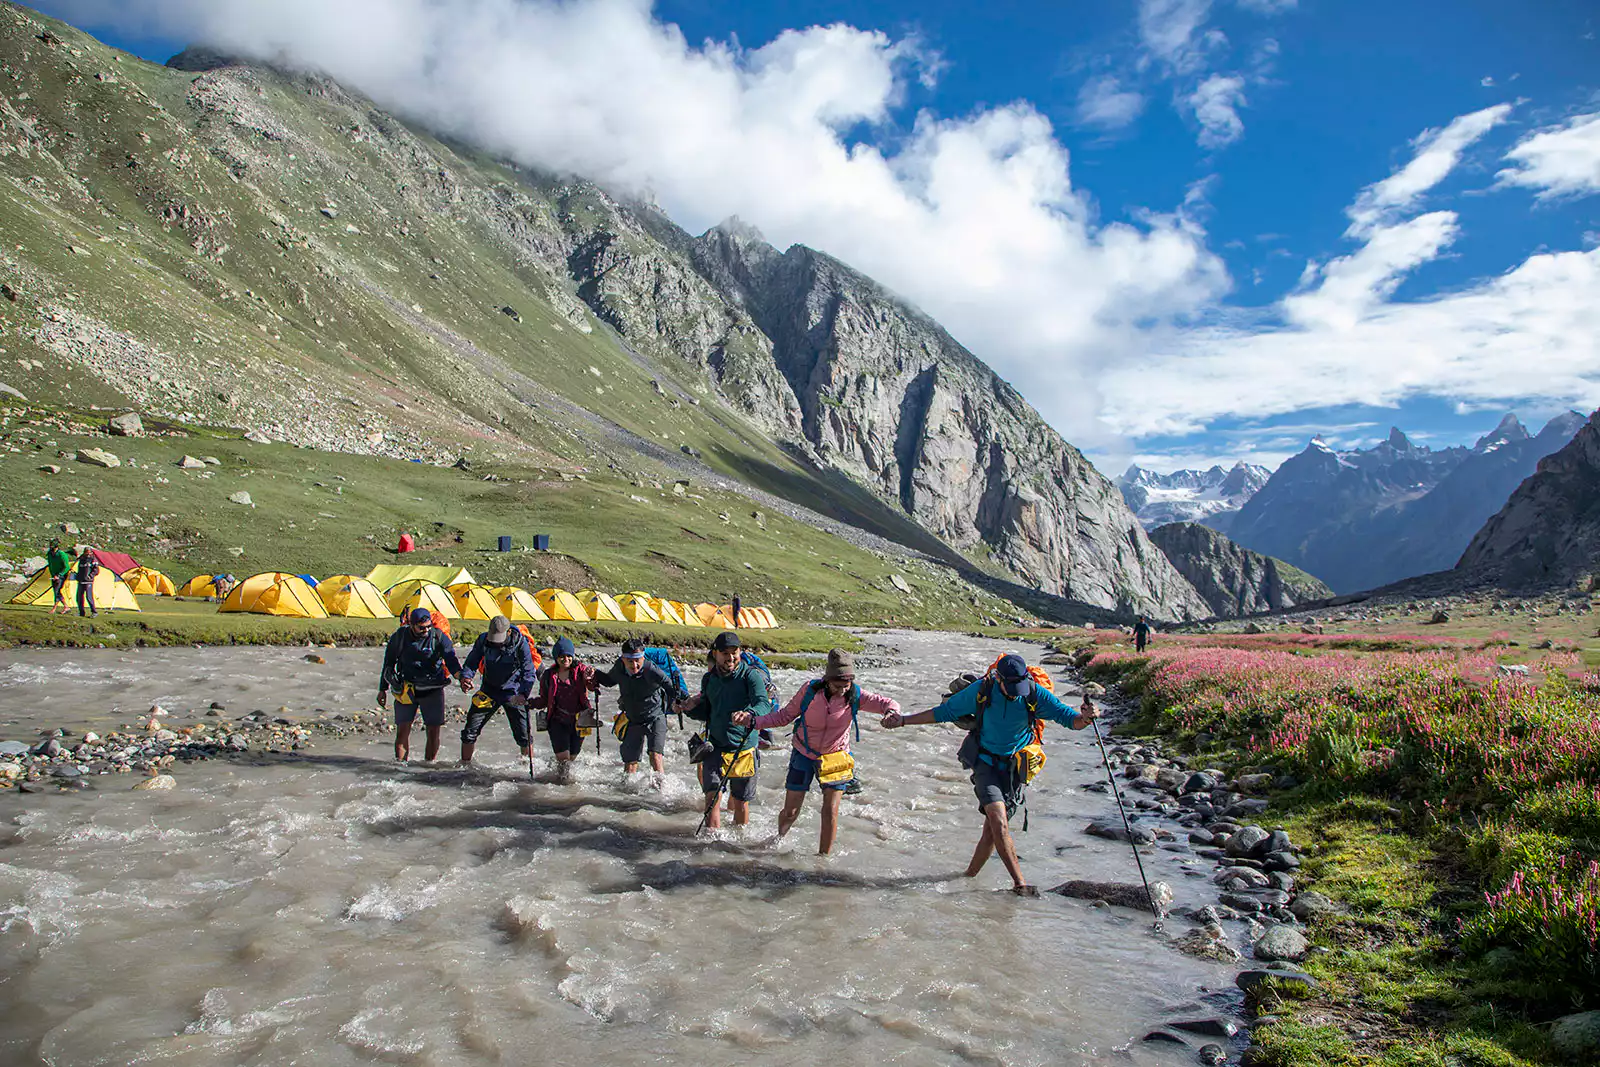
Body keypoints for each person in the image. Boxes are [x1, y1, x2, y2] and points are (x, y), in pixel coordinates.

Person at [883, 653, 1097, 896]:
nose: (1017, 692)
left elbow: (1071, 720)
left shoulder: (1034, 693)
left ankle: (968, 877)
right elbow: (943, 713)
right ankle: (1020, 885)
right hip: (986, 763)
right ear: (998, 678)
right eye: (1012, 687)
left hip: (1016, 768)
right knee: (998, 821)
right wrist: (903, 721)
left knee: (992, 831)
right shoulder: (981, 690)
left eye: (1021, 686)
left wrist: (1087, 718)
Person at [736, 649, 898, 854]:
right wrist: (754, 722)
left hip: (836, 757)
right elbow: (784, 716)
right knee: (791, 811)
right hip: (803, 753)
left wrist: (892, 713)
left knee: (830, 810)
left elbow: (888, 703)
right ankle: (778, 840)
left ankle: (823, 859)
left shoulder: (855, 695)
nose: (842, 691)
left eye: (846, 686)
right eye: (838, 686)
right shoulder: (810, 691)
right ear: (827, 680)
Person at [676, 631, 763, 830]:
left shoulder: (751, 677)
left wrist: (749, 714)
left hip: (744, 748)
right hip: (714, 746)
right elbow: (707, 711)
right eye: (725, 653)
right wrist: (688, 708)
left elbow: (762, 703)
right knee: (712, 796)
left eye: (735, 652)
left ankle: (738, 846)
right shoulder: (709, 679)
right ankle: (710, 845)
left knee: (740, 801)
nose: (730, 657)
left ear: (741, 652)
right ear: (715, 654)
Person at [377, 607, 463, 763]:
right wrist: (382, 689)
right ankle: (400, 767)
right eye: (422, 628)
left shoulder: (438, 637)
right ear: (412, 625)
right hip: (406, 689)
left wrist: (462, 678)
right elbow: (388, 663)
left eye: (429, 626)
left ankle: (428, 766)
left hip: (433, 690)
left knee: (433, 731)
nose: (426, 630)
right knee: (402, 730)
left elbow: (452, 662)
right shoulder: (400, 637)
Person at [457, 615, 538, 768]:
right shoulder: (483, 640)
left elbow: (529, 672)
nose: (495, 642)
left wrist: (523, 694)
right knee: (469, 732)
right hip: (488, 691)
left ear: (508, 633)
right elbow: (472, 661)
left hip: (513, 693)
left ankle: (527, 767)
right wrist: (465, 678)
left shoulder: (521, 643)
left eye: (499, 638)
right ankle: (464, 768)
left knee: (524, 736)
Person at [592, 638, 674, 780]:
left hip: (655, 717)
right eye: (630, 661)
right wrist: (594, 673)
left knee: (655, 756)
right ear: (623, 659)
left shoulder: (651, 669)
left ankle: (661, 794)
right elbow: (609, 681)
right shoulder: (619, 668)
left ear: (643, 657)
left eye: (638, 660)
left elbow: (670, 685)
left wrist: (677, 704)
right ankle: (627, 796)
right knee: (630, 763)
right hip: (633, 719)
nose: (634, 665)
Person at [530, 636, 596, 782]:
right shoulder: (548, 675)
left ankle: (563, 781)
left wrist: (591, 677)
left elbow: (592, 685)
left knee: (572, 757)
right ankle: (563, 785)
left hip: (580, 721)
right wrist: (529, 703)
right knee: (563, 760)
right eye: (561, 656)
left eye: (568, 656)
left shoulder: (581, 671)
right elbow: (543, 700)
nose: (565, 659)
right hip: (557, 721)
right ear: (556, 657)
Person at [45, 539, 72, 615]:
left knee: (57, 591)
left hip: (61, 575)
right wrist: (53, 575)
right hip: (54, 575)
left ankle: (54, 608)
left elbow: (66, 567)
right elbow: (50, 565)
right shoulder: (50, 554)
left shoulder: (62, 554)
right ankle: (66, 607)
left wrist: (59, 575)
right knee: (56, 591)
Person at [74, 547, 100, 617]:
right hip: (81, 580)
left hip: (88, 581)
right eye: (86, 552)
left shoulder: (93, 559)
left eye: (89, 552)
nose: (88, 553)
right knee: (79, 597)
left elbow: (96, 570)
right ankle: (81, 612)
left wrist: (90, 576)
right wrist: (77, 576)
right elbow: (80, 569)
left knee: (89, 597)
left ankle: (94, 612)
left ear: (91, 552)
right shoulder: (81, 559)